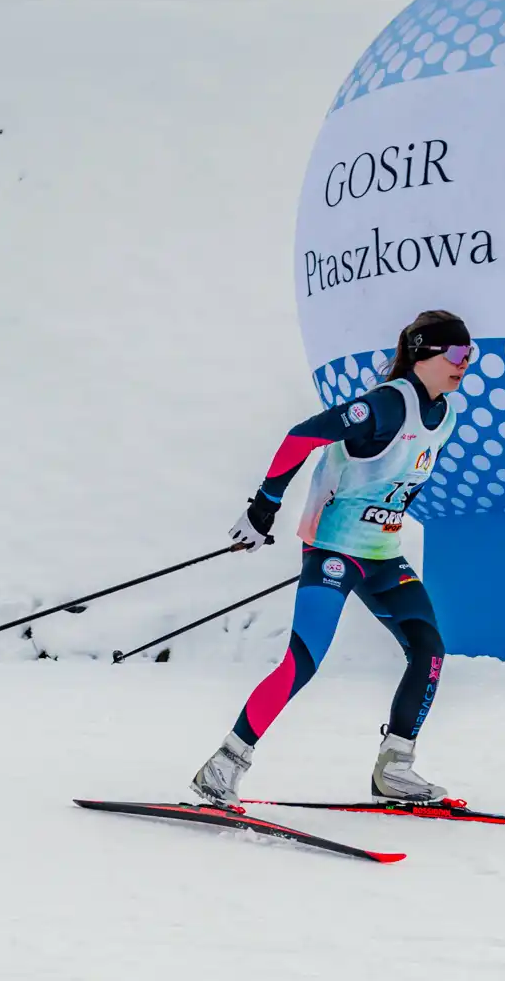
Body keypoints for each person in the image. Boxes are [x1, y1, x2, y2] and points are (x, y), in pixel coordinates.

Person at [190, 310, 474, 808]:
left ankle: (395, 769)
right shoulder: (386, 406)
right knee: (304, 660)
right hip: (333, 550)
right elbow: (302, 436)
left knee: (429, 648)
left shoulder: (445, 415)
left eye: (470, 353)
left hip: (383, 555)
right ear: (423, 353)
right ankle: (224, 765)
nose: (464, 362)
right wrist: (264, 507)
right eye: (455, 352)